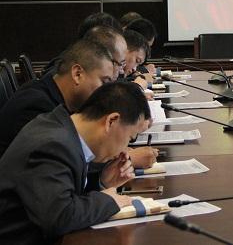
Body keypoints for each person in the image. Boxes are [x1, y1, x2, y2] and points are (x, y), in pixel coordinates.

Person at [0, 81, 151, 245]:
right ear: (111, 121)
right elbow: (59, 217)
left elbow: (62, 196)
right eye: (130, 138)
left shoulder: (63, 130)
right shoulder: (53, 144)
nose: (125, 149)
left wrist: (102, 183)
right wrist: (110, 201)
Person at [0, 39, 115, 157]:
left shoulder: (51, 94)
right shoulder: (38, 107)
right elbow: (63, 158)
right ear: (77, 74)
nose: (107, 92)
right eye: (104, 82)